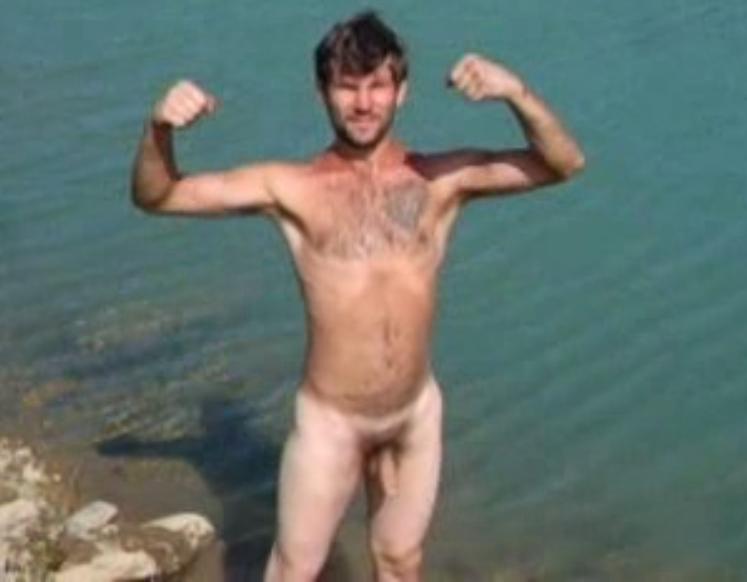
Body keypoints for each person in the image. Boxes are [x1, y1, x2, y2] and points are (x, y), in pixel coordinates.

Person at [130, 10, 584, 582]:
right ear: (322, 92)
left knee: (400, 561)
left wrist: (514, 92)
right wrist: (159, 128)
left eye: (377, 85)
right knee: (295, 569)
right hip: (332, 422)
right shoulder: (291, 188)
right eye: (347, 86)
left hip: (414, 414)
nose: (364, 103)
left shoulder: (441, 180)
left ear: (402, 91)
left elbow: (564, 163)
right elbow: (158, 196)